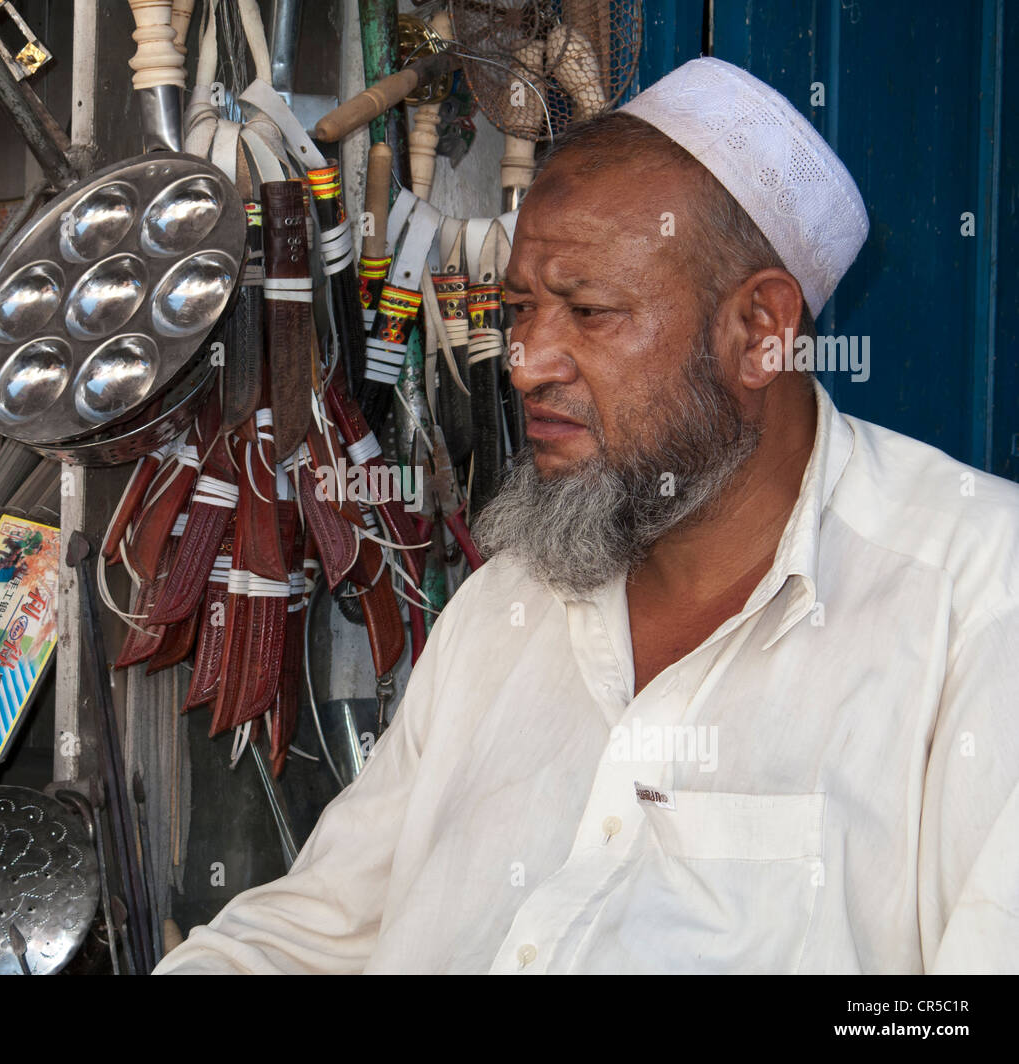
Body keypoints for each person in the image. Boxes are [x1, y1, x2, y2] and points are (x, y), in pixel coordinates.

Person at [154, 57, 1019, 974]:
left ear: (764, 330)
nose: (524, 363)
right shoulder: (508, 606)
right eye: (519, 308)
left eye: (590, 311)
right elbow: (309, 938)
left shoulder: (975, 599)